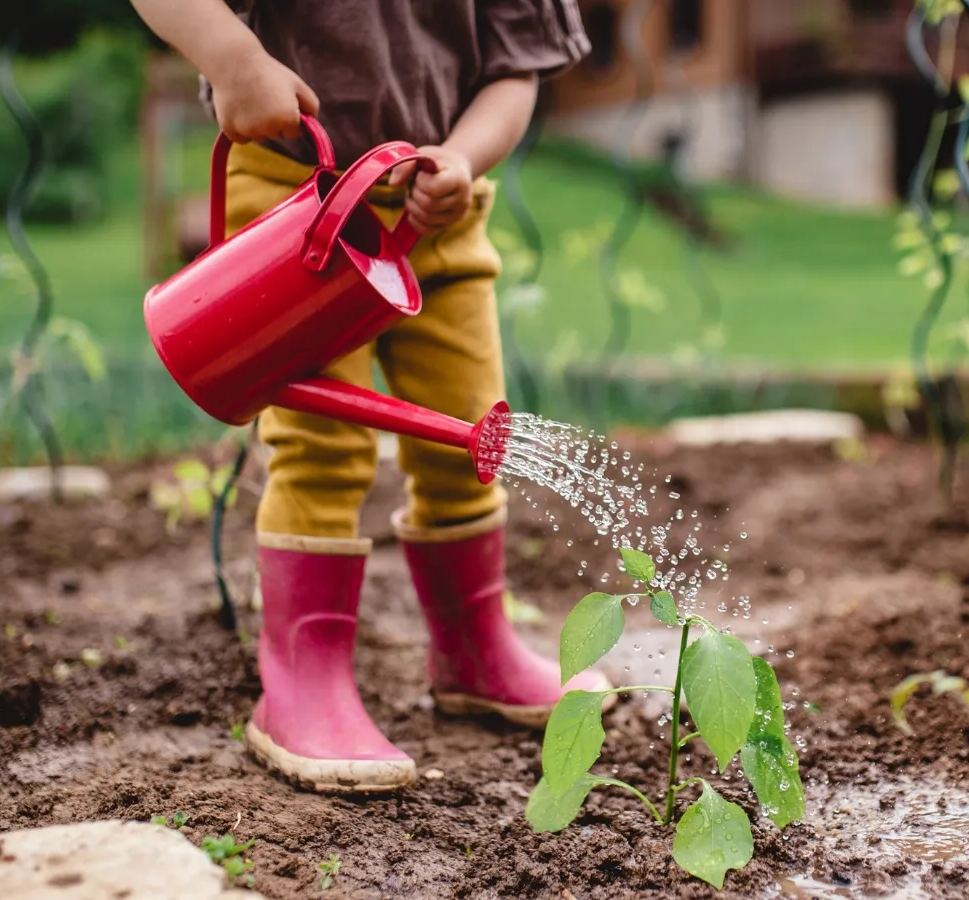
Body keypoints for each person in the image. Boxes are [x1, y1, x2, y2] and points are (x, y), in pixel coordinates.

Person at [129, 0, 612, 794]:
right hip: (295, 201)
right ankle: (302, 679)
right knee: (323, 449)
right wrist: (233, 59)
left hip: (440, 214)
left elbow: (515, 72)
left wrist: (462, 158)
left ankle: (475, 648)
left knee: (469, 436)